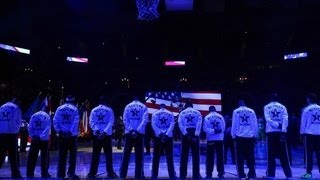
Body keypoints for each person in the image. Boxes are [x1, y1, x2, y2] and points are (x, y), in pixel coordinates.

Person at [87, 96, 117, 178]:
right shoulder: (109, 110)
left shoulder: (93, 110)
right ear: (105, 102)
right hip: (106, 136)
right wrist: (104, 132)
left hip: (97, 136)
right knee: (108, 156)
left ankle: (92, 173)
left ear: (99, 102)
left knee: (95, 155)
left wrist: (97, 131)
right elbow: (111, 122)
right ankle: (110, 173)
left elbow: (91, 122)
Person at [264, 93, 292, 179]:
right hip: (281, 133)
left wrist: (276, 125)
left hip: (271, 132)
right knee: (284, 154)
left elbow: (268, 119)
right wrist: (283, 130)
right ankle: (288, 175)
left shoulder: (266, 107)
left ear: (270, 98)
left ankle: (271, 175)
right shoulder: (283, 107)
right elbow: (285, 119)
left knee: (271, 155)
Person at [119, 96, 148, 179]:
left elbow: (125, 119)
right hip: (139, 134)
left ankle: (122, 175)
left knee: (126, 156)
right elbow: (145, 120)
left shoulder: (127, 106)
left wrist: (131, 130)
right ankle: (139, 175)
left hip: (129, 133)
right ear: (139, 99)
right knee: (139, 156)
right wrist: (137, 130)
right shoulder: (143, 106)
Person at [53, 95, 80, 179]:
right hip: (72, 136)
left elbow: (55, 120)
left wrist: (59, 131)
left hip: (62, 135)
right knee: (72, 156)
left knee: (62, 156)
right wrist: (70, 132)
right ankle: (71, 173)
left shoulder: (59, 108)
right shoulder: (75, 109)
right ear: (73, 101)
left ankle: (60, 174)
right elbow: (76, 121)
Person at [231, 99, 258, 179]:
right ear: (245, 104)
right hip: (250, 137)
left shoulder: (236, 111)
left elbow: (234, 124)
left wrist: (233, 136)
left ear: (239, 104)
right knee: (251, 157)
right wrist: (255, 135)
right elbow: (255, 124)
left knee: (240, 157)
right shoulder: (251, 111)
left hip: (240, 137)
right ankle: (252, 174)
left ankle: (241, 175)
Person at [178, 102, 202, 179]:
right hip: (195, 132)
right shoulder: (197, 112)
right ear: (192, 106)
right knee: (196, 156)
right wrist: (196, 134)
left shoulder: (182, 112)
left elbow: (179, 123)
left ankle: (182, 175)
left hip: (186, 133)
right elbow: (199, 123)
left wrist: (185, 134)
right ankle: (196, 175)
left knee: (184, 156)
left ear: (185, 106)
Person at [151, 104, 176, 179]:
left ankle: (154, 176)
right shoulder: (170, 113)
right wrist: (166, 134)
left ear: (160, 107)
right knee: (169, 157)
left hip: (158, 137)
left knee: (156, 158)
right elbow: (172, 124)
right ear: (165, 107)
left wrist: (160, 134)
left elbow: (153, 124)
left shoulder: (155, 113)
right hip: (168, 137)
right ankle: (172, 176)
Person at [26, 106, 51, 178]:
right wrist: (41, 137)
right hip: (44, 140)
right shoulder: (47, 116)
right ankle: (44, 173)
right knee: (44, 158)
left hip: (34, 139)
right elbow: (47, 128)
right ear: (46, 110)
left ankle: (29, 173)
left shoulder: (33, 115)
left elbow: (30, 127)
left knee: (32, 157)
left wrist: (33, 135)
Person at [0, 98, 22, 178]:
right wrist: (15, 131)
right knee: (13, 155)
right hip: (12, 133)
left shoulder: (1, 107)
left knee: (1, 154)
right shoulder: (16, 108)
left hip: (1, 133)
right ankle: (15, 173)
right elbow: (18, 121)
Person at [300, 93, 320, 179]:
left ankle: (308, 173)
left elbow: (303, 122)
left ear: (309, 100)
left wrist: (301, 133)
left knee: (309, 154)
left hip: (309, 134)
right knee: (319, 154)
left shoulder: (306, 109)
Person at [203, 106, 225, 179]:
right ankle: (221, 174)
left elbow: (205, 129)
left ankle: (209, 175)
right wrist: (217, 131)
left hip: (211, 139)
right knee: (220, 157)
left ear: (209, 110)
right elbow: (223, 128)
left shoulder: (207, 117)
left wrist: (213, 131)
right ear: (215, 109)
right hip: (219, 139)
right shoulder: (221, 117)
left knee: (210, 158)